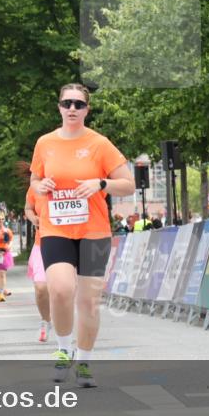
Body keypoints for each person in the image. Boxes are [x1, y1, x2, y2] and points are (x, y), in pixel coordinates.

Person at [30, 83, 135, 387]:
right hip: (56, 228)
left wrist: (101, 183)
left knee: (88, 301)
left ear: (87, 109)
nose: (72, 109)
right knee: (61, 290)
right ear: (59, 107)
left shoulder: (100, 144)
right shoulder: (45, 143)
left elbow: (127, 184)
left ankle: (85, 361)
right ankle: (64, 352)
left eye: (78, 104)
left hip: (93, 230)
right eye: (67, 104)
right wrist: (41, 187)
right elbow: (35, 180)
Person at [25, 177, 52, 342]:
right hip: (42, 243)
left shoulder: (69, 180)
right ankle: (46, 321)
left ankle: (69, 330)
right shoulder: (35, 187)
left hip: (68, 241)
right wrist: (33, 217)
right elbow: (28, 207)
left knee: (65, 290)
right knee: (41, 287)